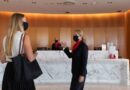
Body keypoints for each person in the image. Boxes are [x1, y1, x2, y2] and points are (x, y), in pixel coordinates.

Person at [0, 13, 36, 90]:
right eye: (25, 21)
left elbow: (2, 60)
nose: (26, 23)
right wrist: (35, 55)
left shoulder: (5, 38)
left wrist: (13, 58)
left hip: (9, 71)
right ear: (19, 23)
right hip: (22, 71)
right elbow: (31, 58)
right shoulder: (24, 37)